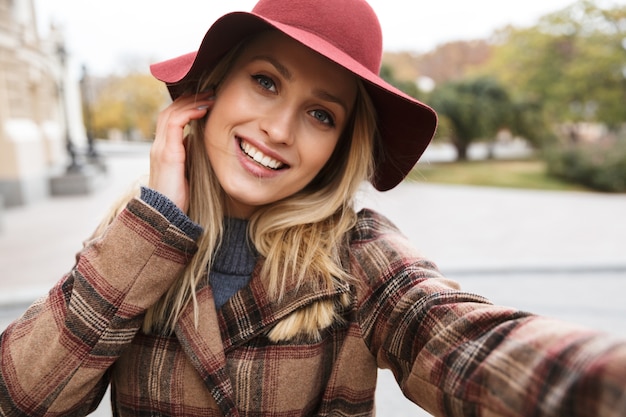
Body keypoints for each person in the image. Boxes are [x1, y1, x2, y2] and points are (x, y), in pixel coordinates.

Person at [1, 0, 625, 415]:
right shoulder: (133, 240)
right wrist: (157, 220)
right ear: (211, 91)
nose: (278, 129)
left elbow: (465, 343)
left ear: (338, 145)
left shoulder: (359, 258)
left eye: (320, 114)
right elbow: (23, 398)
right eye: (266, 82)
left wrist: (605, 380)